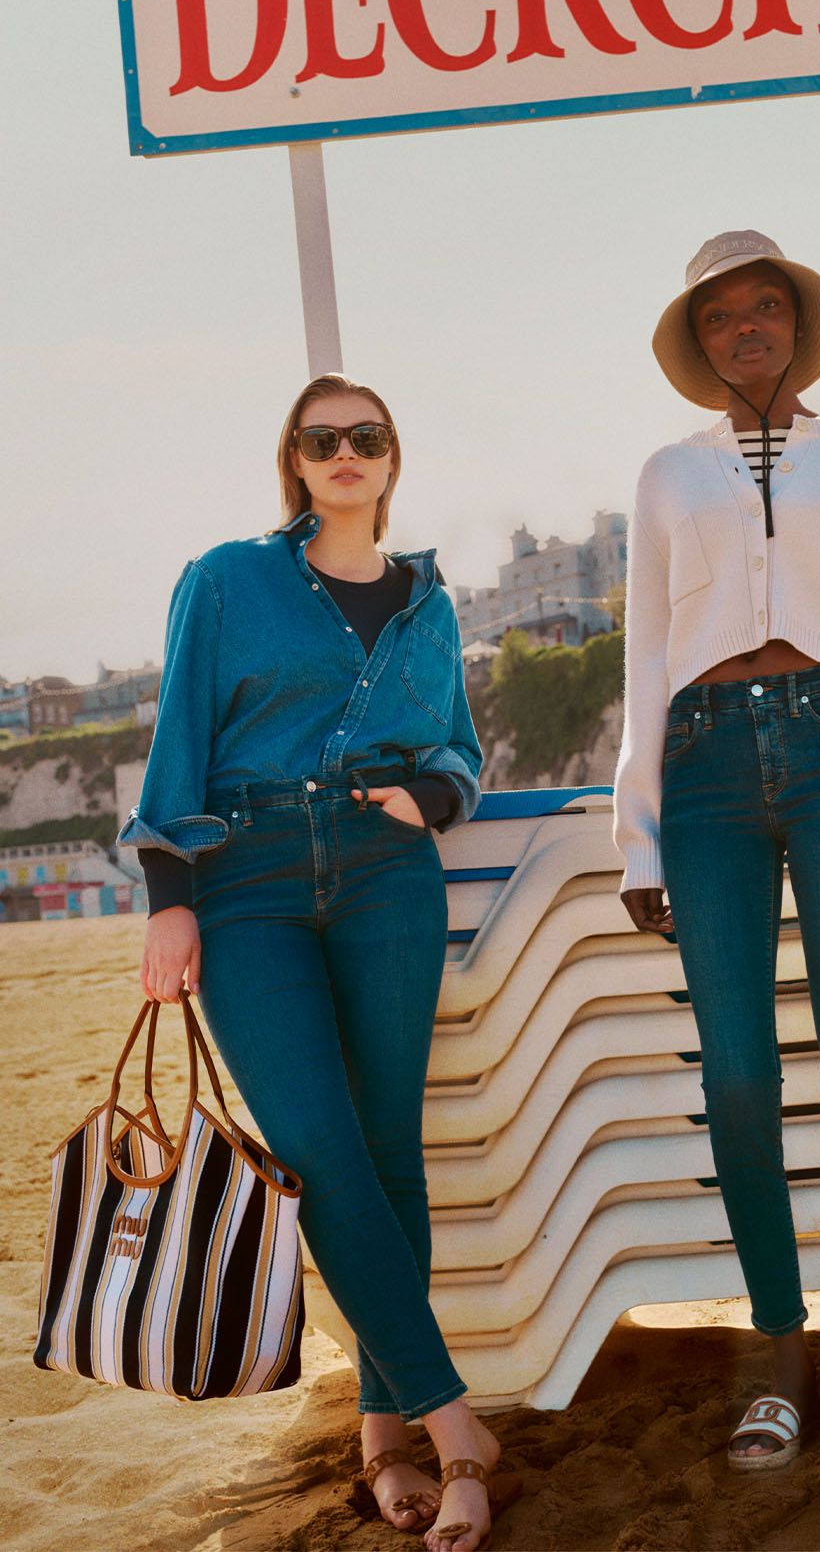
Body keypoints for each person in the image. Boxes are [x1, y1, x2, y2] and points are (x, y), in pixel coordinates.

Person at [121, 374, 520, 1552]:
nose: (345, 452)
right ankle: (457, 1426)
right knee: (317, 1149)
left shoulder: (427, 599)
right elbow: (176, 739)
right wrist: (170, 899)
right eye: (321, 438)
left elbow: (458, 741)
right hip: (245, 880)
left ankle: (381, 1430)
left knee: (389, 1154)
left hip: (386, 869)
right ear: (293, 459)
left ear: (393, 460)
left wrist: (437, 792)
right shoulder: (227, 577)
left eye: (368, 437)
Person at [613, 233, 820, 1469]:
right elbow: (645, 649)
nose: (745, 326)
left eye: (766, 307)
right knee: (741, 1074)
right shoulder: (663, 476)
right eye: (720, 314)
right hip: (701, 766)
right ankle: (776, 1344)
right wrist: (635, 820)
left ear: (798, 327)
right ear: (698, 341)